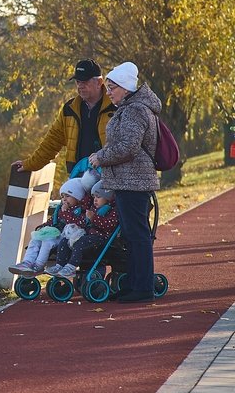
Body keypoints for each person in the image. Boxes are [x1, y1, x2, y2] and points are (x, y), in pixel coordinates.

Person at [88, 62, 160, 303]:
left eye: (112, 88)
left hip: (134, 182)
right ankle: (132, 284)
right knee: (131, 235)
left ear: (126, 88)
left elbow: (128, 147)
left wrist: (101, 157)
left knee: (137, 235)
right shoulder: (130, 108)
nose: (108, 92)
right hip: (128, 181)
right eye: (108, 88)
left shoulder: (134, 110)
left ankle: (143, 288)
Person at [13, 59, 116, 175]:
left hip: (108, 177)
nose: (80, 86)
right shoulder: (69, 109)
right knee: (66, 192)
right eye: (78, 82)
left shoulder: (116, 107)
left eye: (85, 81)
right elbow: (52, 142)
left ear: (99, 82)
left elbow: (126, 146)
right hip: (77, 175)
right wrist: (30, 164)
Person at [8, 177, 92, 275]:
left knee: (47, 242)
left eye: (68, 196)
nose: (64, 199)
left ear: (78, 197)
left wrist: (66, 212)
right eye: (62, 196)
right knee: (35, 240)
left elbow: (77, 224)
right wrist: (43, 226)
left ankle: (38, 265)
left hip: (66, 237)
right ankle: (27, 262)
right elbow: (53, 220)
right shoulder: (61, 209)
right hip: (54, 233)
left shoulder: (81, 210)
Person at [45, 181, 119, 278]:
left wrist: (93, 218)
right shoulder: (92, 209)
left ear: (108, 198)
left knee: (80, 242)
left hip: (101, 238)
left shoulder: (112, 211)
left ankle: (71, 266)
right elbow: (83, 223)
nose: (95, 200)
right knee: (65, 241)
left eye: (98, 197)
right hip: (87, 235)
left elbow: (108, 225)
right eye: (94, 197)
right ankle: (60, 265)